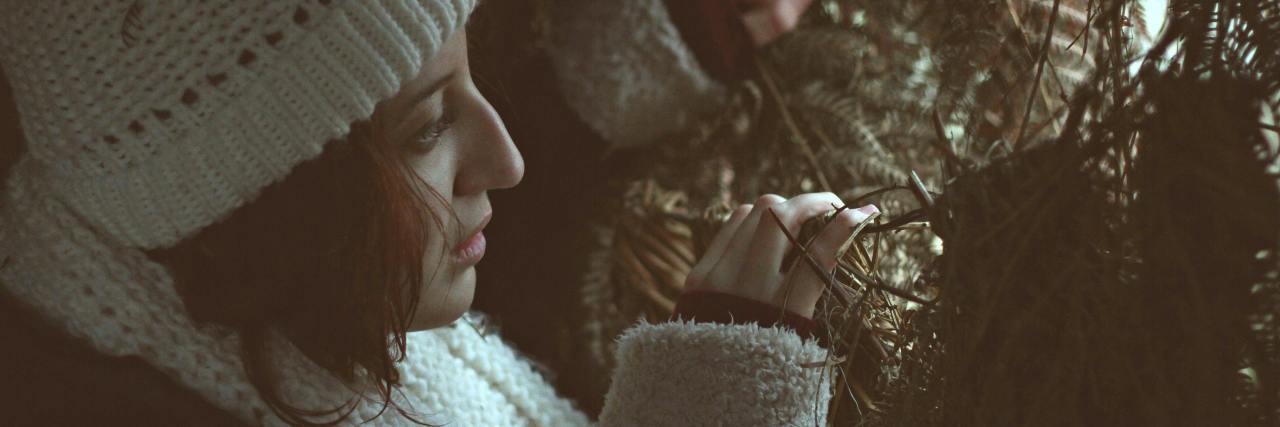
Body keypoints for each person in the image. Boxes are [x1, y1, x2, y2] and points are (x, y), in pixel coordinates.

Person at [0, 0, 874, 425]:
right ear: (260, 205)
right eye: (429, 125)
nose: (508, 161)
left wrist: (685, 32)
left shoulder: (254, 295)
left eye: (470, 77)